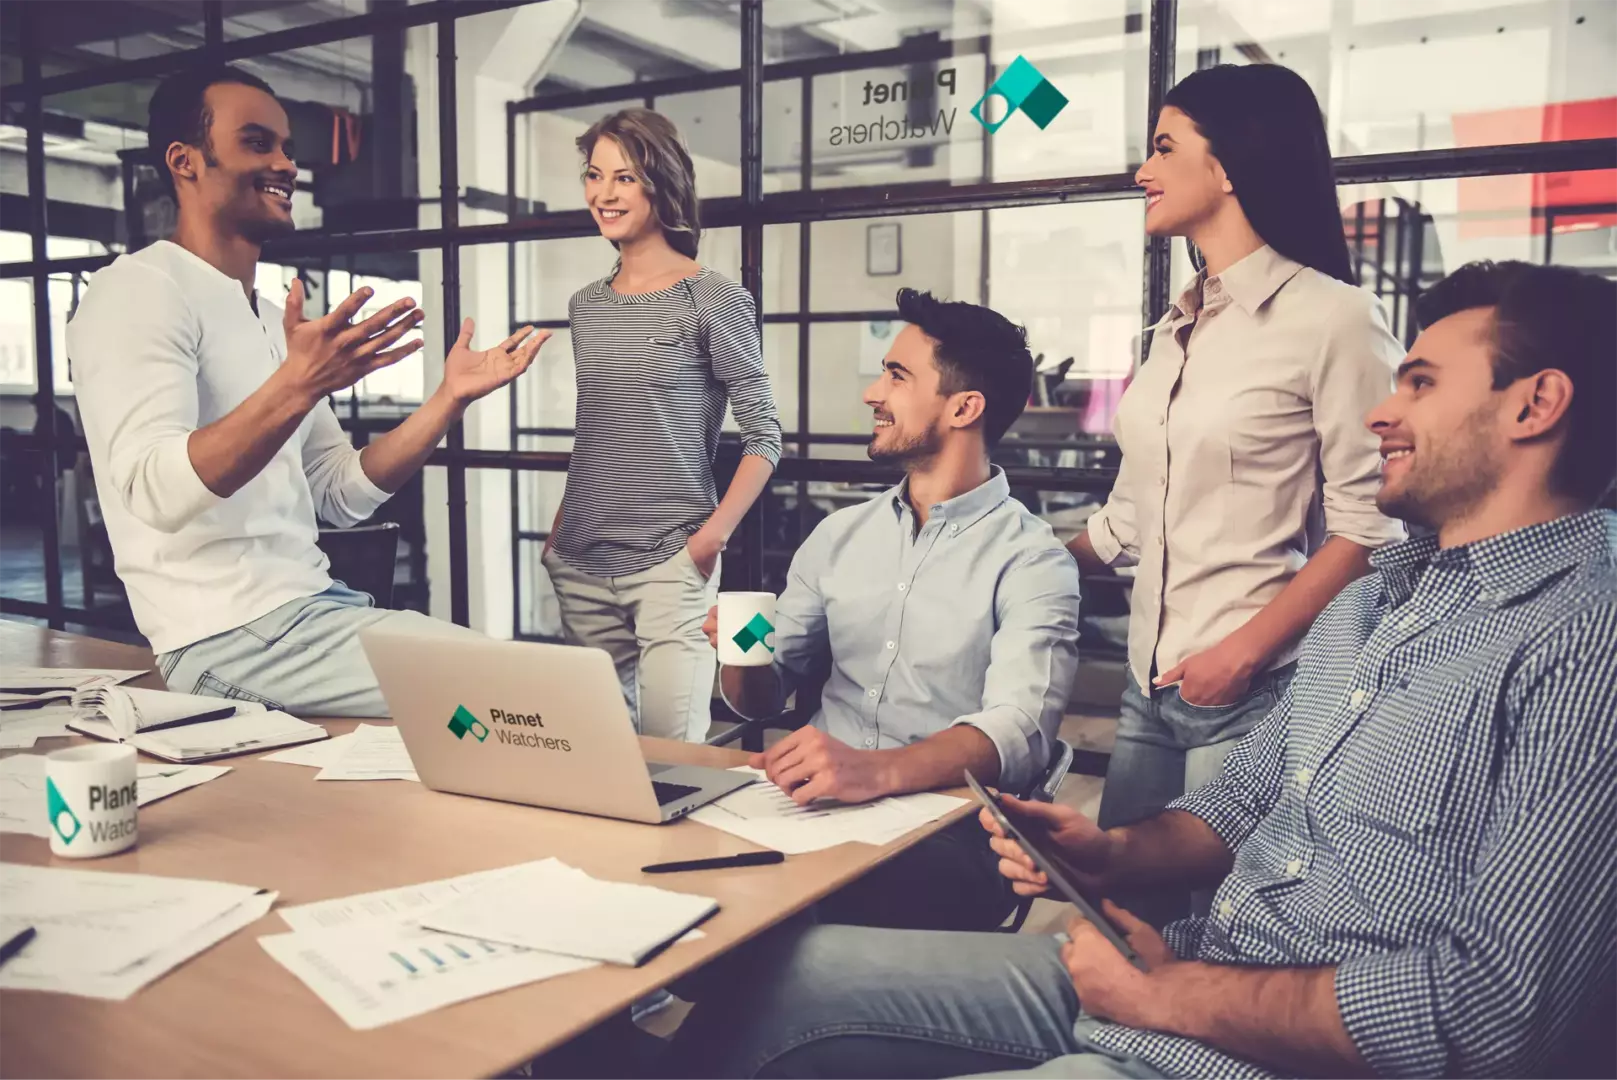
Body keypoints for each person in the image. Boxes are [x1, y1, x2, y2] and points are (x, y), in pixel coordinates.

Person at [662, 259, 1617, 1080]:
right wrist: (1106, 854)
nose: (1379, 412)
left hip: (1233, 1027)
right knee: (780, 976)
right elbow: (1236, 810)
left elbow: (1492, 1011)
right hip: (1179, 975)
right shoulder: (1371, 601)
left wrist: (1176, 992)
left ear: (1534, 405)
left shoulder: (1583, 637)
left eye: (1415, 383)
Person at [67, 66, 547, 715]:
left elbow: (340, 494)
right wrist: (296, 385)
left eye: (288, 147)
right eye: (258, 143)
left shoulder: (266, 317)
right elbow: (153, 491)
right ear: (185, 162)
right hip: (227, 637)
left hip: (312, 610)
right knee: (527, 691)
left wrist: (446, 401)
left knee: (491, 728)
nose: (287, 164)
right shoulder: (138, 290)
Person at [1067, 65, 1405, 923]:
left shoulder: (1332, 318)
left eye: (1162, 147)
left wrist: (1242, 654)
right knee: (1120, 920)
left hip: (1250, 690)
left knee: (1218, 933)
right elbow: (1128, 520)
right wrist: (997, 558)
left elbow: (1374, 529)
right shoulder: (1177, 326)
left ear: (1226, 168)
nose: (1142, 171)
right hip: (1148, 684)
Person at [705, 287, 1082, 932]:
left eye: (897, 375)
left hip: (945, 827)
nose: (872, 394)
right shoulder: (838, 536)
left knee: (787, 920)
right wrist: (745, 648)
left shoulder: (1035, 561)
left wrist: (873, 772)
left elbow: (1019, 731)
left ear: (965, 407)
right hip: (807, 807)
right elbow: (762, 698)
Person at [541, 108, 781, 743]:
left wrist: (709, 540)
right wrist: (561, 529)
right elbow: (598, 426)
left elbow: (764, 437)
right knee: (598, 759)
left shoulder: (715, 298)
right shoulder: (585, 306)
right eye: (595, 175)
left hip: (672, 564)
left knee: (673, 761)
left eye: (624, 177)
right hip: (581, 562)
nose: (604, 193)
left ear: (661, 183)